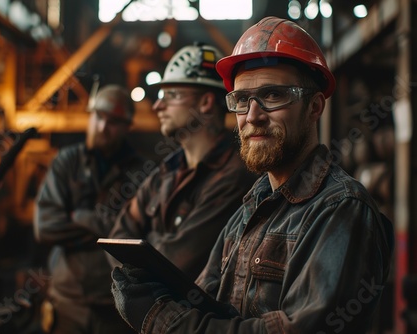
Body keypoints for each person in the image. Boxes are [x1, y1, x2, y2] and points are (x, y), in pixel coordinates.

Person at [110, 17, 394, 333]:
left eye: (273, 95)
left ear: (314, 107)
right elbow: (206, 303)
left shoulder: (341, 210)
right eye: (243, 100)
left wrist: (161, 319)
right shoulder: (251, 209)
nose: (253, 116)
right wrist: (157, 288)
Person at [107, 42, 258, 282]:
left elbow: (173, 266)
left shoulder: (233, 178)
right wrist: (149, 251)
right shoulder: (166, 171)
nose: (158, 106)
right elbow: (116, 240)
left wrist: (145, 244)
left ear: (206, 103)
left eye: (172, 95)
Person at [34, 84, 145, 334]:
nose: (102, 127)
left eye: (114, 121)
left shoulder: (140, 172)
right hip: (67, 303)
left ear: (128, 126)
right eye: (98, 116)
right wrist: (106, 231)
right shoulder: (67, 161)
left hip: (116, 308)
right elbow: (45, 228)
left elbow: (136, 239)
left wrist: (81, 217)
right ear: (90, 115)